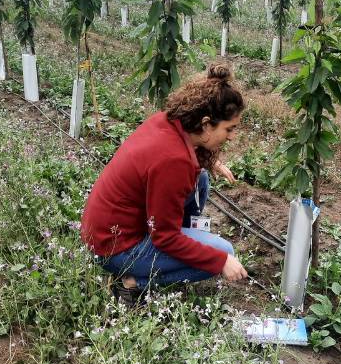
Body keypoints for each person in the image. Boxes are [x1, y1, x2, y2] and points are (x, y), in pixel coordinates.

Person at [80, 62, 249, 305]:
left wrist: (210, 162)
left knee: (200, 178)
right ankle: (130, 282)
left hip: (105, 230)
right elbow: (165, 238)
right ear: (205, 124)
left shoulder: (168, 122)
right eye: (229, 129)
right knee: (224, 253)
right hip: (115, 248)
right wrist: (218, 261)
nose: (232, 136)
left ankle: (174, 250)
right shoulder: (174, 162)